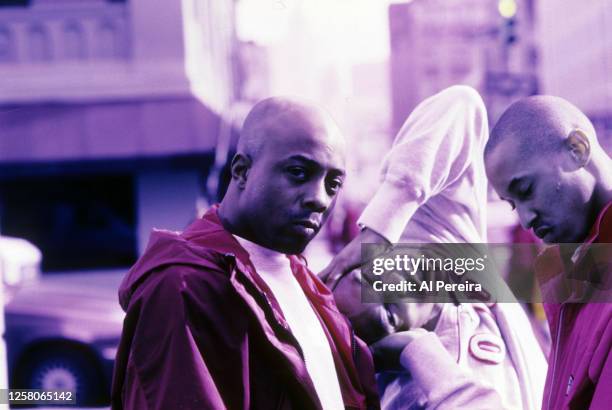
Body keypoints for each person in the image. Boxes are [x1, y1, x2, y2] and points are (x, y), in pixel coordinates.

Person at [111, 97, 379, 410]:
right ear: (241, 171)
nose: (320, 199)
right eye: (298, 172)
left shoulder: (306, 282)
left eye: (333, 184)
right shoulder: (183, 286)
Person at [322, 85, 547, 409]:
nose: (393, 291)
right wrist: (413, 352)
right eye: (387, 317)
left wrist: (379, 230)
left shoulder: (441, 244)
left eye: (370, 280)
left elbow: (462, 105)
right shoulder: (410, 385)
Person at [485, 95, 612, 410]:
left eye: (526, 191)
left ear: (577, 149)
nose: (525, 219)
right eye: (512, 204)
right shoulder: (573, 264)